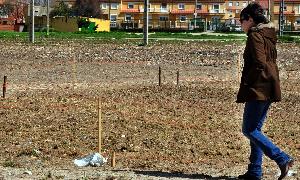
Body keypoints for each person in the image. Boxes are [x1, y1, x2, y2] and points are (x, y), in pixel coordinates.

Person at [236, 2, 294, 180]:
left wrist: (248, 82)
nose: (240, 24)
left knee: (249, 130)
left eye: (241, 21)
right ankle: (254, 171)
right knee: (256, 130)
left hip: (258, 88)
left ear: (250, 20)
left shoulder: (255, 36)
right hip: (270, 86)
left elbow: (260, 63)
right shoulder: (268, 34)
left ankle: (282, 158)